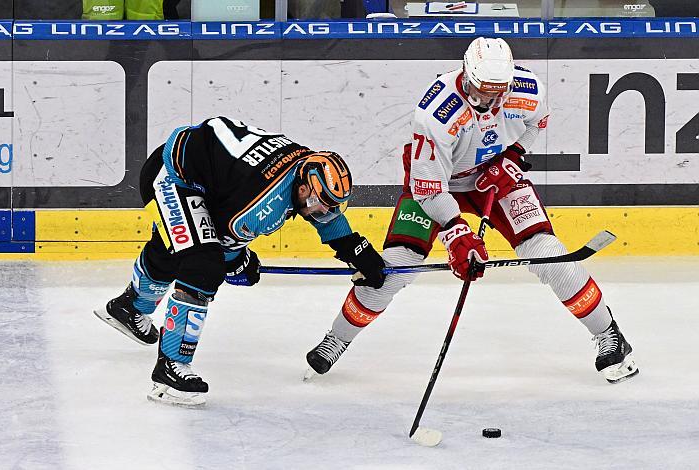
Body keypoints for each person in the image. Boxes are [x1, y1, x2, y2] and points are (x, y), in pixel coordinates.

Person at [305, 37, 639, 384]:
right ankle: (338, 339)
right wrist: (457, 233)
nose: (486, 103)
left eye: (495, 95)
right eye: (479, 93)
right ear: (466, 75)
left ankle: (610, 335)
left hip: (492, 178)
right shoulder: (437, 112)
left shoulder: (528, 91)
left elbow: (536, 123)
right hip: (436, 183)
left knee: (550, 254)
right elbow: (429, 190)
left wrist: (512, 156)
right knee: (394, 269)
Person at [94, 117, 385, 406]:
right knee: (202, 265)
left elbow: (324, 215)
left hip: (193, 169)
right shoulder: (264, 203)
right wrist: (240, 264)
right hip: (172, 177)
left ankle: (129, 307)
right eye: (318, 203)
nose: (321, 211)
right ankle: (170, 368)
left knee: (177, 246)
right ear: (304, 187)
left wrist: (355, 250)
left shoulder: (306, 164)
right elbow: (222, 245)